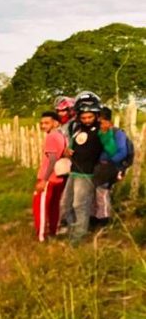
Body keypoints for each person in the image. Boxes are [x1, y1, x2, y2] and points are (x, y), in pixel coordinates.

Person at [58, 92, 104, 244]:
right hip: (74, 172)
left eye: (90, 117)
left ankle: (78, 236)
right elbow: (70, 148)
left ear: (97, 115)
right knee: (66, 203)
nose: (87, 120)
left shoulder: (101, 131)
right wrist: (67, 151)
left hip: (87, 175)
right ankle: (72, 229)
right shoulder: (77, 130)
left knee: (80, 205)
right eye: (83, 118)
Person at [33, 111, 68, 242]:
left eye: (47, 123)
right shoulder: (62, 136)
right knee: (54, 207)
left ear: (55, 123)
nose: (43, 126)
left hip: (49, 178)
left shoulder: (51, 137)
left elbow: (52, 160)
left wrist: (44, 180)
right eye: (41, 123)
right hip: (59, 177)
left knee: (40, 207)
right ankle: (53, 231)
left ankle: (41, 236)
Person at [93, 107, 129, 226]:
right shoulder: (99, 132)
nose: (100, 124)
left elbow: (122, 152)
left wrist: (109, 162)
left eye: (102, 121)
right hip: (100, 167)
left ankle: (104, 220)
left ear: (109, 121)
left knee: (102, 191)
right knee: (96, 192)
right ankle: (97, 217)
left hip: (111, 167)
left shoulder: (117, 133)